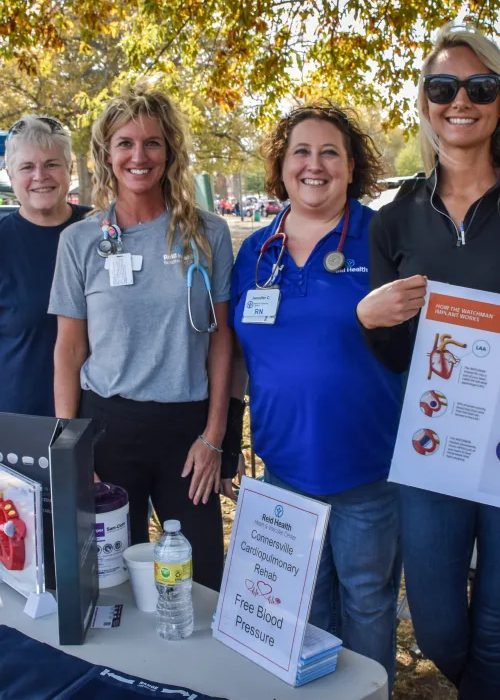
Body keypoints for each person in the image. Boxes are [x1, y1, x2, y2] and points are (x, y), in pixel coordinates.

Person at [229, 102, 403, 688]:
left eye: (331, 152)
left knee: (368, 605)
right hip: (284, 471)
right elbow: (237, 354)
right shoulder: (255, 251)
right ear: (281, 166)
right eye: (301, 151)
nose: (315, 164)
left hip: (368, 471)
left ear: (353, 167)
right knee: (307, 611)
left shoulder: (383, 237)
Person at [357, 23, 500, 699]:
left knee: (499, 627)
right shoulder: (395, 218)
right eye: (443, 86)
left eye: (481, 85)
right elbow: (392, 359)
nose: (461, 100)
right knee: (440, 627)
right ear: (424, 101)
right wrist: (369, 319)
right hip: (436, 448)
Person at [49, 83, 238, 591]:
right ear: (106, 155)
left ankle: (196, 674)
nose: (139, 155)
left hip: (187, 430)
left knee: (200, 582)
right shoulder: (81, 240)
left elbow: (222, 341)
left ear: (170, 151)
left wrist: (215, 435)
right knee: (112, 580)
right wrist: (72, 447)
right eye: (125, 143)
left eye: (152, 143)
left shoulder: (207, 232)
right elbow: (68, 351)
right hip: (108, 428)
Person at [0, 115, 89, 416]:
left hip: (104, 422)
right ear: (10, 174)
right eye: (27, 167)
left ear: (69, 169)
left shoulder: (103, 229)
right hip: (20, 423)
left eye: (51, 164)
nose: (40, 176)